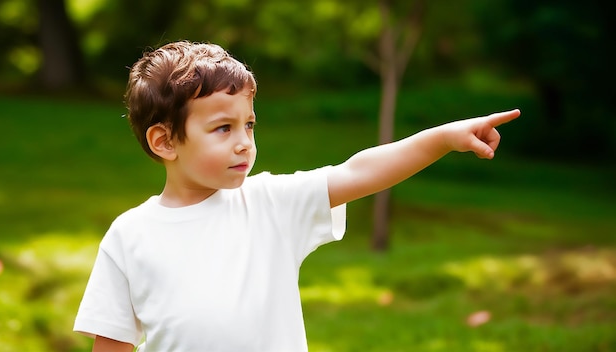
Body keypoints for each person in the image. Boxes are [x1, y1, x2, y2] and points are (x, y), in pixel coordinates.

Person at [74, 41, 520, 352]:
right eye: (222, 128)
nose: (244, 142)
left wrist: (444, 137)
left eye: (249, 124)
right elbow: (112, 342)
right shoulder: (129, 236)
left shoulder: (270, 203)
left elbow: (359, 171)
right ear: (165, 141)